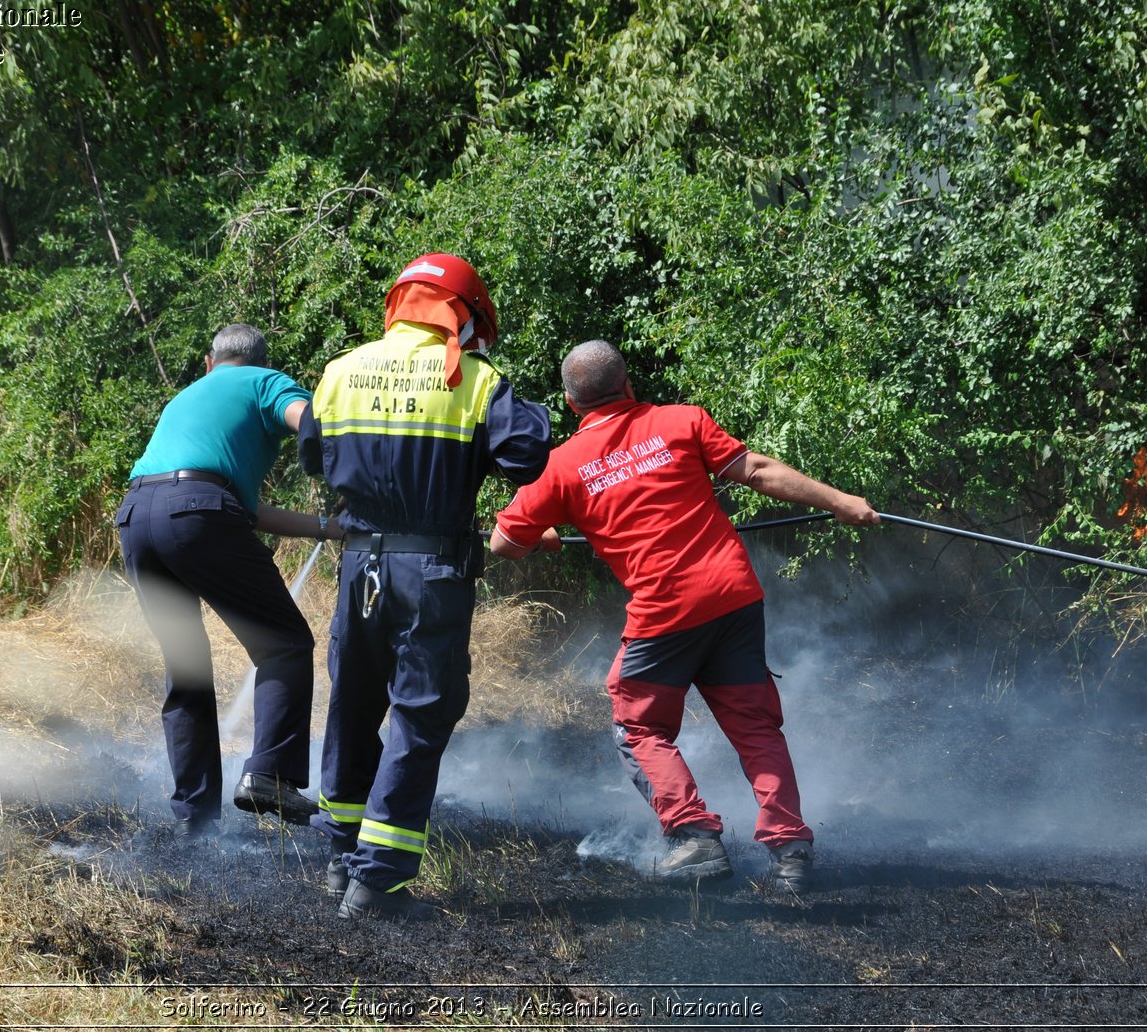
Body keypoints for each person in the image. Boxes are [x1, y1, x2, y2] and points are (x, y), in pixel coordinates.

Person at [489, 340, 878, 894]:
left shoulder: (562, 468)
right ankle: (790, 849)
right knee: (754, 725)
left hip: (664, 614)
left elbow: (504, 543)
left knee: (638, 724)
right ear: (627, 385)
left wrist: (545, 537)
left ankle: (693, 837)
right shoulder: (681, 421)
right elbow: (760, 471)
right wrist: (839, 501)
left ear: (572, 406)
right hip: (734, 597)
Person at [298, 253, 552, 920]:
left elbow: (311, 455)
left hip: (359, 567)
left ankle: (340, 854)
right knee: (419, 713)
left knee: (352, 704)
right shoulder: (475, 379)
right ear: (463, 316)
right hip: (432, 572)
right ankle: (377, 880)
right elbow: (526, 454)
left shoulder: (340, 371)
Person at [115, 323, 343, 833]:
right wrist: (346, 461)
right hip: (196, 512)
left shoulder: (185, 399)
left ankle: (193, 818)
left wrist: (332, 528)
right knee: (283, 645)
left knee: (187, 668)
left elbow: (242, 510)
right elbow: (308, 418)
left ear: (208, 361)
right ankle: (270, 777)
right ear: (261, 361)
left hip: (136, 517)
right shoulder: (265, 382)